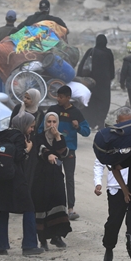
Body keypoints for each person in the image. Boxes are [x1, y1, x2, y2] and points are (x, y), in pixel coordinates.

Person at [0, 109, 44, 256]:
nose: (32, 129)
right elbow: (19, 157)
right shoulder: (19, 137)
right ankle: (29, 245)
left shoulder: (4, 134)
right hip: (16, 179)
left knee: (3, 210)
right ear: (23, 124)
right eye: (30, 126)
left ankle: (1, 246)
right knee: (29, 208)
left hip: (1, 179)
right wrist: (28, 149)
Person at [41, 85, 90, 221]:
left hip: (69, 151)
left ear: (69, 98)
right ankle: (51, 207)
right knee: (53, 178)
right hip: (53, 151)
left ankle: (70, 209)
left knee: (69, 178)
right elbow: (41, 128)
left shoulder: (76, 113)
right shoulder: (53, 110)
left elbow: (86, 131)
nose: (58, 99)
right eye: (58, 96)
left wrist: (77, 126)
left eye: (61, 97)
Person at [94, 107, 131, 261]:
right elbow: (99, 162)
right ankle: (108, 249)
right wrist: (98, 182)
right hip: (115, 188)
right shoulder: (110, 140)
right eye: (122, 123)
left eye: (129, 122)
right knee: (114, 222)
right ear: (117, 123)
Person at [31, 111, 73, 249]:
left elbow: (63, 153)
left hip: (56, 177)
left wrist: (57, 137)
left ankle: (56, 237)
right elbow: (41, 150)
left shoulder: (60, 137)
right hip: (41, 177)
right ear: (45, 123)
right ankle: (42, 240)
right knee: (42, 206)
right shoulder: (38, 137)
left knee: (58, 203)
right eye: (49, 122)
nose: (51, 125)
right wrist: (49, 154)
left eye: (54, 122)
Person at [79, 34, 115, 130]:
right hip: (104, 84)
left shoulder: (91, 51)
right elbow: (112, 69)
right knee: (103, 103)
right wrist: (110, 78)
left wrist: (80, 78)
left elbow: (82, 65)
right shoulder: (108, 53)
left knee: (91, 102)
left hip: (92, 82)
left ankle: (91, 123)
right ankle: (100, 122)